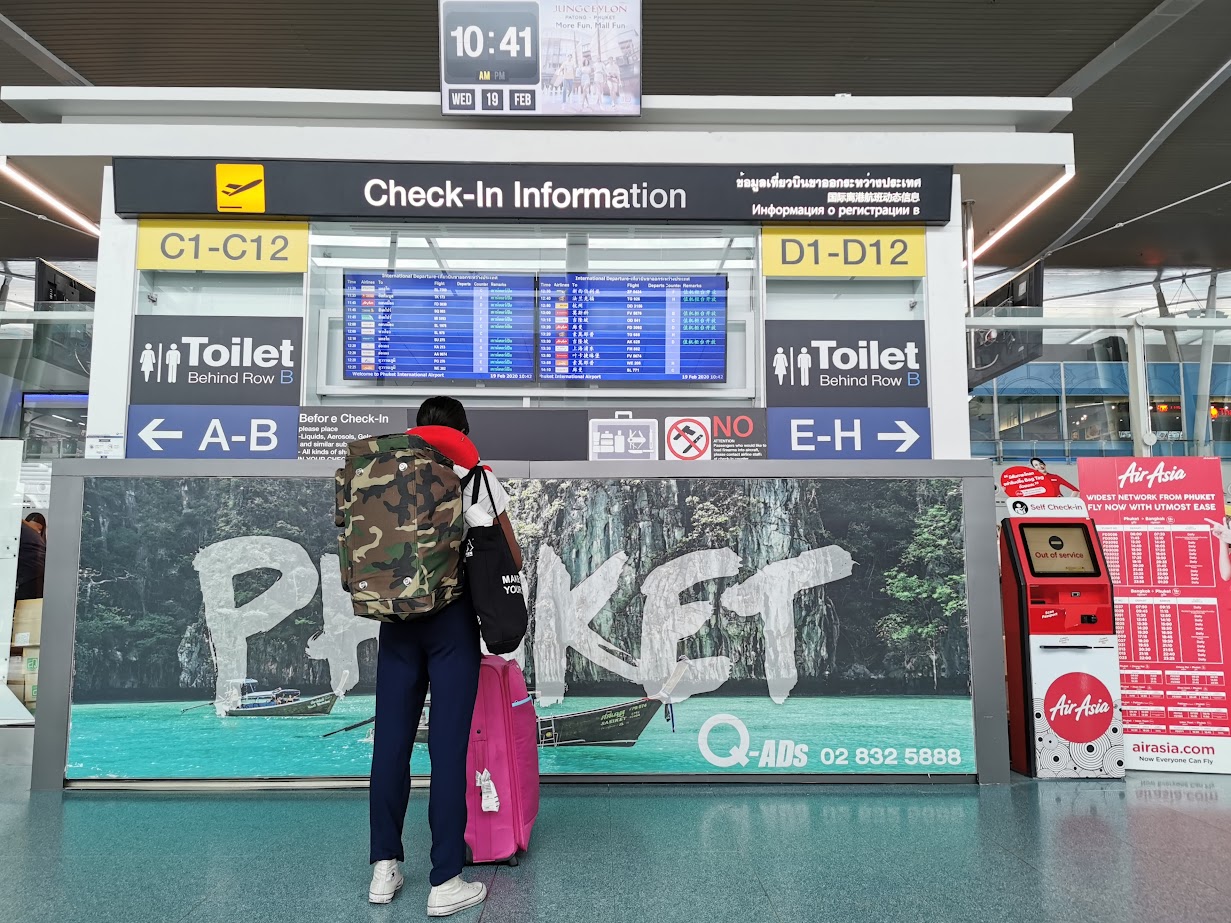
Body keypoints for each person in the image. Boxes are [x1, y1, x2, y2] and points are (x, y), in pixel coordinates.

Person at [368, 396, 522, 916]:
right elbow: (509, 553)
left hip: (396, 623)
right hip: (450, 624)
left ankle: (383, 870)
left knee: (390, 746)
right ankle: (445, 881)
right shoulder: (476, 475)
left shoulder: (385, 472)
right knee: (448, 750)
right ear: (463, 431)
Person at [16, 514, 46, 601]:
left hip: (30, 579)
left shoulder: (20, 529)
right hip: (34, 578)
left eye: (40, 530)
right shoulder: (35, 538)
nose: (37, 531)